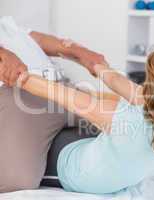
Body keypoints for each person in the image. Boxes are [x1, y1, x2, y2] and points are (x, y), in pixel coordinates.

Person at [15, 50, 154, 194]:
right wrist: (20, 77)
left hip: (90, 144)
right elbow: (66, 95)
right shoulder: (131, 125)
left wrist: (96, 66)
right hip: (60, 161)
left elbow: (118, 83)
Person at [0, 17, 108, 192]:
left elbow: (38, 40)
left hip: (62, 86)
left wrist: (79, 51)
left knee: (124, 134)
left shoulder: (6, 25)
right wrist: (3, 54)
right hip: (21, 95)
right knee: (18, 182)